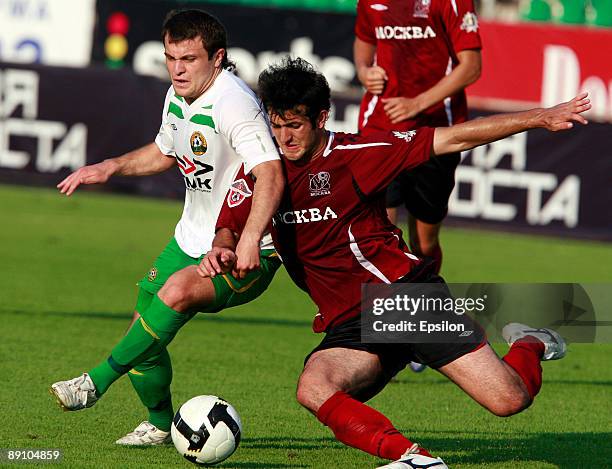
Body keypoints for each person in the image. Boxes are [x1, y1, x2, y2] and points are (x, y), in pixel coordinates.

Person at [201, 58, 589, 468]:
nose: (283, 138)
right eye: (276, 126)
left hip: (406, 298)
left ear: (321, 117)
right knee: (314, 387)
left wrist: (538, 117)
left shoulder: (357, 154)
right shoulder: (262, 172)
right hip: (351, 324)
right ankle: (413, 460)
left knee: (510, 400)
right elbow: (228, 225)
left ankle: (529, 342)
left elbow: (453, 138)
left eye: (294, 126)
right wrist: (221, 248)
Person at [50, 9, 284, 446]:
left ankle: (93, 383)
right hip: (190, 238)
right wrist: (112, 166)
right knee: (143, 324)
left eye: (189, 59)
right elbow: (165, 150)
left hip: (247, 250)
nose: (177, 68)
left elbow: (270, 173)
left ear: (218, 58)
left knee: (173, 293)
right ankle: (159, 424)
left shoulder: (234, 103)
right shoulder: (178, 94)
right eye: (171, 57)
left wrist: (251, 238)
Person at [354, 0, 482, 275]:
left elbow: (471, 67)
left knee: (424, 244)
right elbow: (364, 40)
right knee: (379, 235)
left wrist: (416, 104)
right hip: (381, 128)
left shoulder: (451, 2)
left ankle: (427, 307)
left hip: (436, 132)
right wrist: (364, 71)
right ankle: (379, 312)